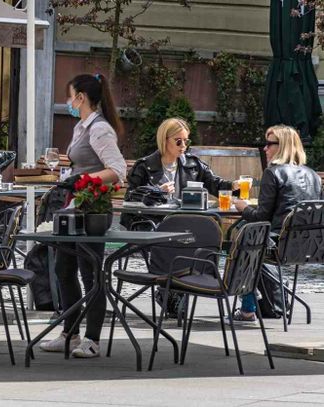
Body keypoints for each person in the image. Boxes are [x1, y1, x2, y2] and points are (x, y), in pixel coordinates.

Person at [39, 73, 127, 358]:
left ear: (80, 97)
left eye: (70, 95)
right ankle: (70, 332)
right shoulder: (81, 126)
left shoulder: (100, 130)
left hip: (92, 209)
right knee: (63, 269)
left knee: (91, 273)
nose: (67, 101)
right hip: (73, 207)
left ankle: (92, 339)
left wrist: (82, 181)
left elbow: (117, 170)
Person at [232, 125, 322, 322]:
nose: (265, 148)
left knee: (242, 235)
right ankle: (268, 299)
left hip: (277, 245)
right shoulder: (313, 175)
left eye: (269, 144)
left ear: (284, 146)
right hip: (308, 247)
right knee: (243, 230)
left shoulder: (273, 173)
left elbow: (261, 218)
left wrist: (242, 207)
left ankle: (248, 308)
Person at [121, 117, 240, 229]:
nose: (183, 146)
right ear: (164, 140)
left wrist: (233, 186)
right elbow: (130, 199)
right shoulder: (144, 166)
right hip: (153, 224)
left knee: (211, 229)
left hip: (185, 221)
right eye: (178, 141)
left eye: (186, 141)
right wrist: (156, 192)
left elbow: (215, 184)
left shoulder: (193, 165)